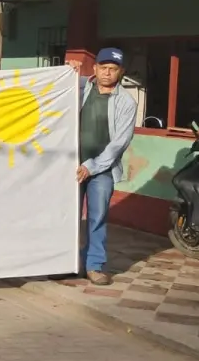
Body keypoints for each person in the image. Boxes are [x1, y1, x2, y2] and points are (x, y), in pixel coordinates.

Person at [73, 47, 138, 286]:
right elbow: (52, 89)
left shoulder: (126, 102)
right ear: (95, 68)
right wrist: (66, 71)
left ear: (121, 72)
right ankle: (67, 263)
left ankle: (94, 265)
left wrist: (92, 166)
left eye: (113, 69)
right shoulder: (80, 87)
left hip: (102, 169)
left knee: (97, 217)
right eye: (103, 67)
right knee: (69, 216)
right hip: (72, 165)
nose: (107, 73)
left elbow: (119, 142)